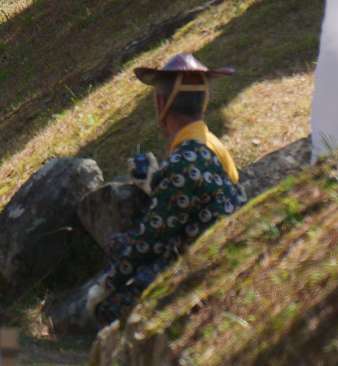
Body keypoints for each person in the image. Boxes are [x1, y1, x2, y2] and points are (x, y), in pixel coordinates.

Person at [89, 54, 246, 326]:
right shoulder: (211, 145)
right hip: (218, 251)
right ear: (204, 102)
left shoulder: (183, 161)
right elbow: (190, 199)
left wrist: (105, 287)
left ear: (162, 102)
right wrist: (153, 181)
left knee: (109, 307)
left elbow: (151, 240)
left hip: (198, 267)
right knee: (117, 246)